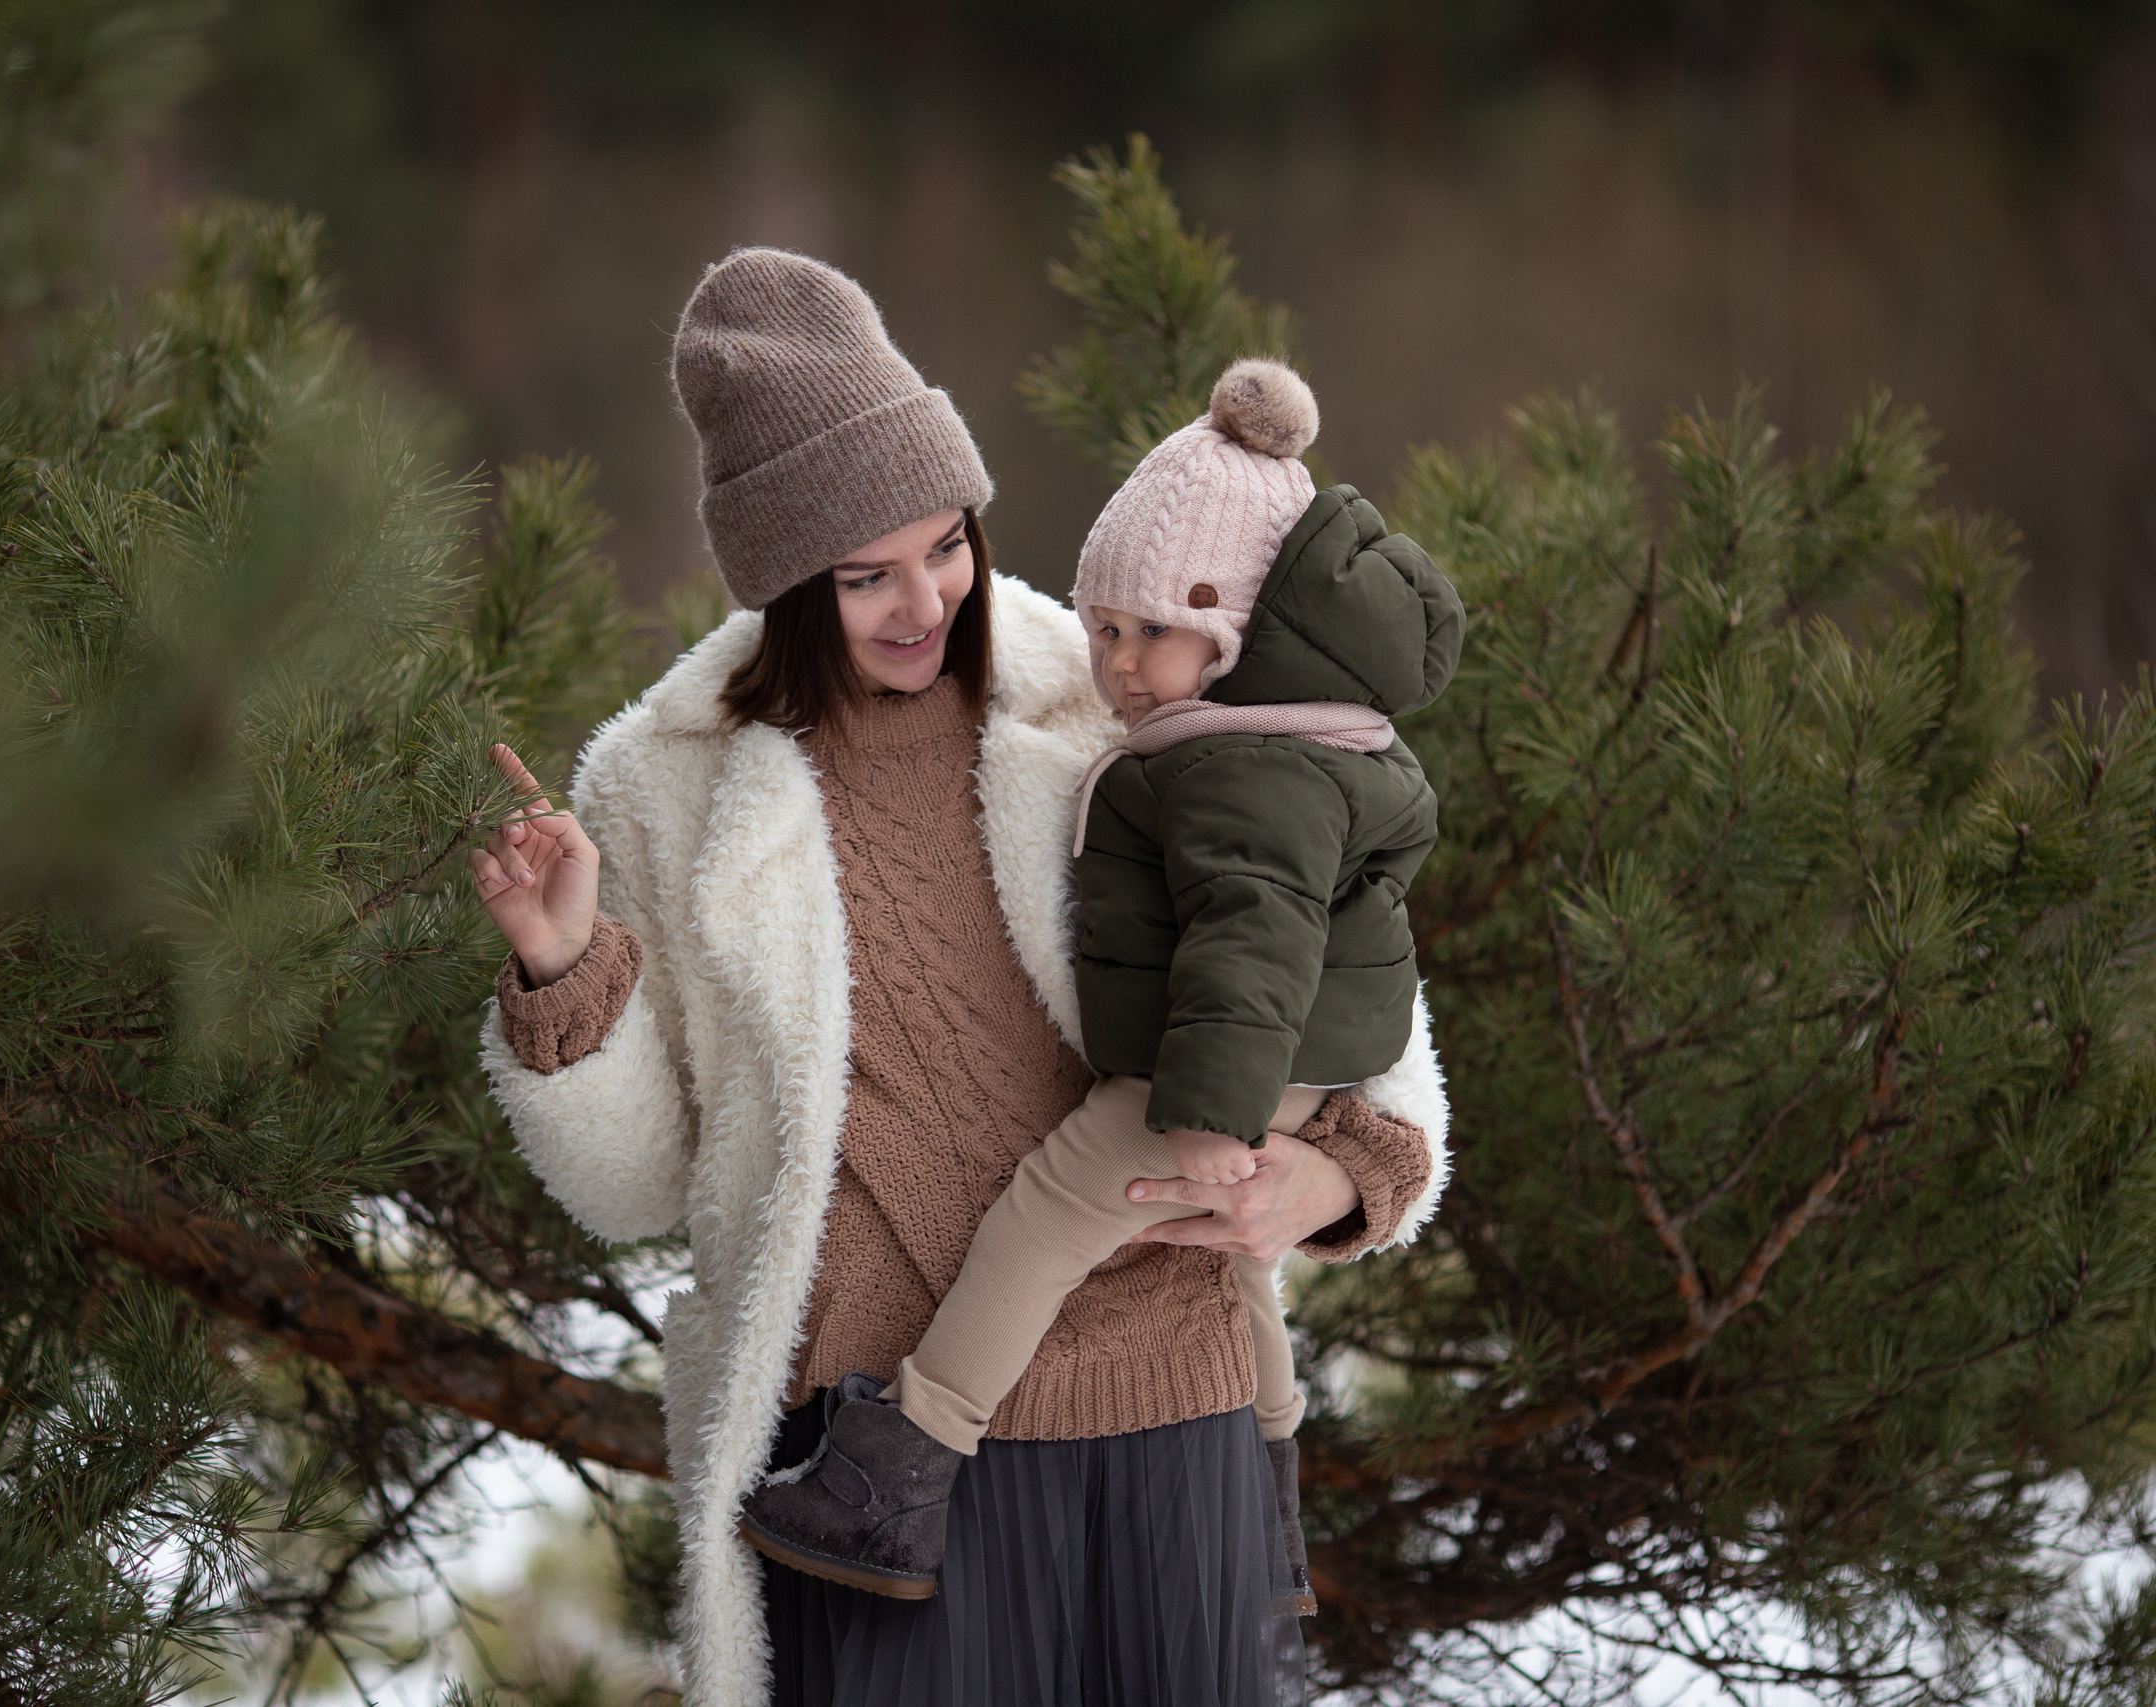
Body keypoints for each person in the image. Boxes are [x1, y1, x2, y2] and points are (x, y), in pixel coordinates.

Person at [470, 246, 1452, 1707]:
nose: (924, 600)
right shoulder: (662, 787)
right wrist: (561, 972)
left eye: (947, 545)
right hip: (874, 1477)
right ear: (782, 578)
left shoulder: (1106, 681)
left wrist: (1340, 1180)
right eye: (864, 575)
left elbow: (1350, 990)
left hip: (1167, 1410)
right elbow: (634, 1186)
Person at [734, 358, 1462, 1617]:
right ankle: (1271, 1505)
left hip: (1232, 1078)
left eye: (1150, 634)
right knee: (1239, 1268)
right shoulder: (1268, 733)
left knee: (1048, 1210)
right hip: (1271, 1073)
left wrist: (1217, 1114)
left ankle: (901, 1467)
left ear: (1233, 631)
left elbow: (1255, 940)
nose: (1115, 663)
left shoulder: (1243, 769)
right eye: (1104, 627)